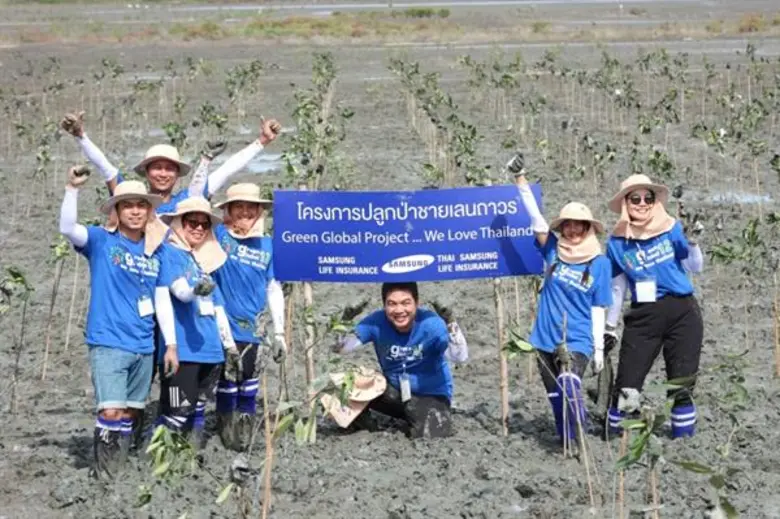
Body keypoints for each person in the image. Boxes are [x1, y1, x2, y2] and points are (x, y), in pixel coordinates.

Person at [58, 168, 177, 479]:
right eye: (127, 205)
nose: (135, 211)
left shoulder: (157, 251)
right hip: (109, 342)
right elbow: (68, 228)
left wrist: (171, 344)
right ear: (117, 210)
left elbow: (162, 299)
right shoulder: (101, 240)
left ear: (149, 211)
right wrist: (72, 188)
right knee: (110, 410)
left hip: (143, 344)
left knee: (132, 411)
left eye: (141, 205)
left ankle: (121, 468)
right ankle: (107, 476)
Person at [604, 174, 704, 439]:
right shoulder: (616, 243)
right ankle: (616, 438)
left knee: (682, 383)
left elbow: (695, 266)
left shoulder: (672, 228)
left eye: (648, 197)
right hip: (644, 317)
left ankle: (684, 439)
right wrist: (610, 327)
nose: (642, 203)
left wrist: (692, 243)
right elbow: (618, 287)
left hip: (683, 312)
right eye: (635, 198)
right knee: (627, 384)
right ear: (625, 202)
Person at [515, 174, 612, 444]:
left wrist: (599, 351)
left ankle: (579, 434)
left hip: (577, 339)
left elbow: (598, 308)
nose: (572, 230)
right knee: (556, 398)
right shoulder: (554, 252)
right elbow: (537, 222)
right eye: (568, 225)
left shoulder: (600, 264)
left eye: (579, 225)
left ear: (588, 228)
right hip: (544, 338)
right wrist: (521, 183)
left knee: (569, 384)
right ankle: (567, 440)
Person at [59, 111, 281, 213]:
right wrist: (81, 136)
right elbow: (105, 167)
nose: (163, 174)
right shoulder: (132, 198)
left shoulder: (189, 199)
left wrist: (261, 142)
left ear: (177, 175)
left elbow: (226, 171)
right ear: (146, 172)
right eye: (157, 167)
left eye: (169, 169)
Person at [154, 197, 241, 448]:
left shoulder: (200, 263)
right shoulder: (168, 253)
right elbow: (180, 291)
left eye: (204, 225)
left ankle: (190, 459)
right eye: (192, 222)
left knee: (198, 410)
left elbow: (218, 308)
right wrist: (196, 291)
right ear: (179, 224)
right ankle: (162, 464)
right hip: (184, 351)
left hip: (211, 352)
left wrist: (230, 347)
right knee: (177, 412)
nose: (199, 228)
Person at [210, 182, 286, 451]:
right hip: (221, 325)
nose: (244, 213)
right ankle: (226, 430)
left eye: (250, 208)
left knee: (250, 380)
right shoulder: (217, 236)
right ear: (228, 211)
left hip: (254, 328)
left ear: (258, 211)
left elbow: (273, 286)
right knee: (227, 380)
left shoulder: (267, 244)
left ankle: (245, 428)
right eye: (238, 207)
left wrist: (279, 333)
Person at [330, 282, 457, 439]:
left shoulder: (431, 324)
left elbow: (459, 356)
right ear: (384, 305)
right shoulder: (376, 322)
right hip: (395, 393)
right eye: (392, 304)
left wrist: (450, 321)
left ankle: (417, 418)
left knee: (433, 432)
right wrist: (346, 318)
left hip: (431, 395)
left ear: (417, 303)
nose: (399, 310)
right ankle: (368, 426)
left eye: (406, 303)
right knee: (340, 384)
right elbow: (341, 349)